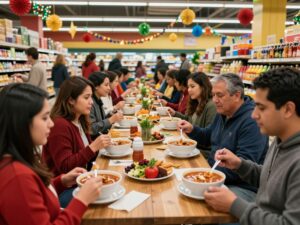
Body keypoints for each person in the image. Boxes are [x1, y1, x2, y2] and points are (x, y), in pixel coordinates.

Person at [204, 67, 300, 225]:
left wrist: (235, 205)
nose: (254, 114)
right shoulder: (280, 141)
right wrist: (240, 165)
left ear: (288, 109)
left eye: (261, 108)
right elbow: (270, 179)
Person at [0, 83, 103, 225]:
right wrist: (82, 200)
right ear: (21, 122)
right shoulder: (17, 177)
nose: (51, 124)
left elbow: (36, 193)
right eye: (44, 118)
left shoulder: (20, 158)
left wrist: (61, 181)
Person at [178, 73, 268, 201]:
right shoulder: (224, 112)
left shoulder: (251, 121)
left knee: (198, 204)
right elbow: (209, 135)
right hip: (214, 173)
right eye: (213, 95)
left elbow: (244, 167)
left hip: (241, 187)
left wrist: (206, 175)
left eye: (219, 95)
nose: (214, 100)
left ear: (237, 95)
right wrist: (192, 129)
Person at [42, 77, 111, 207]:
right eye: (86, 97)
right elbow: (65, 166)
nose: (91, 102)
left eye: (91, 97)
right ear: (71, 100)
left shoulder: (79, 119)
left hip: (80, 181)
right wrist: (93, 147)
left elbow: (85, 157)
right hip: (63, 190)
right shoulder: (60, 125)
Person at [169, 72, 216, 154]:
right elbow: (189, 120)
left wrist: (192, 130)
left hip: (201, 151)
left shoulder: (211, 106)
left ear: (203, 87)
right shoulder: (195, 102)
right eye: (188, 87)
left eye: (192, 86)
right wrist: (175, 114)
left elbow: (209, 136)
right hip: (191, 146)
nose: (189, 90)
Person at [88, 72, 124, 138]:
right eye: (106, 85)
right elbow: (91, 129)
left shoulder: (98, 99)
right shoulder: (90, 103)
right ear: (96, 86)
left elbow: (102, 119)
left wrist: (112, 115)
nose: (109, 88)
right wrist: (111, 120)